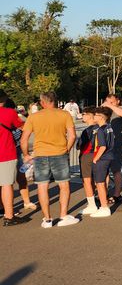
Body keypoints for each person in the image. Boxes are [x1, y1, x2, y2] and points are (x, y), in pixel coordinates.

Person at [20, 91, 78, 228]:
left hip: (40, 154)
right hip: (60, 153)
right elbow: (72, 136)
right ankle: (63, 216)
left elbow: (24, 139)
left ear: (42, 102)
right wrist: (67, 149)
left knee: (42, 186)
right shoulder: (64, 114)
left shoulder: (34, 117)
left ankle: (47, 219)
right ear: (55, 101)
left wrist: (26, 155)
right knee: (64, 185)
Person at [0, 92, 27, 226]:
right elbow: (23, 126)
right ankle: (9, 216)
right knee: (6, 185)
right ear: (4, 100)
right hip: (5, 153)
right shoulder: (9, 113)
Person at [102, 94, 122, 203]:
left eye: (112, 102)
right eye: (108, 102)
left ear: (117, 101)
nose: (109, 104)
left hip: (117, 144)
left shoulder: (121, 110)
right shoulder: (106, 112)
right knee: (104, 170)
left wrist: (110, 105)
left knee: (116, 170)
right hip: (106, 144)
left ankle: (117, 194)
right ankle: (103, 193)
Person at [88, 106, 115, 218]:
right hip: (109, 157)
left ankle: (104, 207)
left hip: (102, 158)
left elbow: (102, 146)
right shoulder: (109, 127)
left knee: (99, 183)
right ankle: (104, 206)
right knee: (102, 182)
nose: (94, 116)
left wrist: (95, 158)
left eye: (96, 115)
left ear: (101, 117)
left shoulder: (100, 130)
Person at [77, 107, 100, 214]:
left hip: (87, 155)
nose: (82, 116)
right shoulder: (101, 128)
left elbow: (80, 145)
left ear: (90, 115)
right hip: (98, 155)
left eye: (84, 114)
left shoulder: (88, 130)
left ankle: (91, 204)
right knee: (97, 180)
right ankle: (99, 200)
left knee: (86, 180)